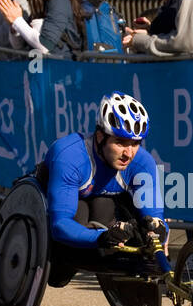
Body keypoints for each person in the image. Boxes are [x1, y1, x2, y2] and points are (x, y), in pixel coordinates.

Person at [40, 92, 165, 279]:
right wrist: (101, 237)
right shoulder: (70, 156)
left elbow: (154, 216)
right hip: (60, 212)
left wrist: (157, 228)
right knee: (58, 275)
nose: (128, 153)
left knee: (119, 212)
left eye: (135, 143)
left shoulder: (143, 162)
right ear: (100, 137)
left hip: (101, 206)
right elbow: (60, 224)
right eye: (120, 142)